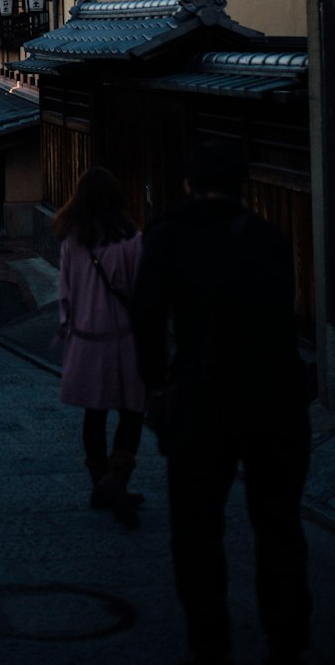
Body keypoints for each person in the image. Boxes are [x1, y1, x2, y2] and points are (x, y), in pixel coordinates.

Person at [132, 142, 312, 665]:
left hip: (202, 394)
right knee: (278, 524)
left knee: (197, 527)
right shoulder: (269, 237)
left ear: (188, 184)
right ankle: (288, 634)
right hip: (275, 395)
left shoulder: (169, 236)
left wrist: (157, 384)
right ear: (243, 186)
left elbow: (146, 317)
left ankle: (208, 637)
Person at [53, 166, 145, 527]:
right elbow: (141, 292)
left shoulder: (72, 241)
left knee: (95, 414)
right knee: (131, 411)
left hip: (85, 340)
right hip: (124, 340)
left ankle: (101, 482)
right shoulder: (133, 240)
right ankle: (117, 479)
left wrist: (67, 328)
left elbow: (65, 293)